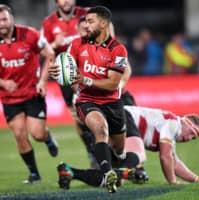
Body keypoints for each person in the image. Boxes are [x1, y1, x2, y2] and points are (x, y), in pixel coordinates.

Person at [49, 6, 128, 193]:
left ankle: (118, 164)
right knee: (100, 129)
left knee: (119, 149)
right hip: (86, 100)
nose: (86, 25)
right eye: (85, 21)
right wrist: (58, 73)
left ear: (103, 24)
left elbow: (112, 84)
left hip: (112, 103)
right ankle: (107, 173)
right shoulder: (77, 44)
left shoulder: (118, 49)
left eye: (90, 21)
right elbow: (66, 69)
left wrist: (85, 79)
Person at [0, 4, 58, 184]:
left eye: (4, 19)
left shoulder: (30, 34)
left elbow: (49, 53)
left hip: (33, 93)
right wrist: (2, 83)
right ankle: (34, 174)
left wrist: (43, 81)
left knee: (37, 134)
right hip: (9, 97)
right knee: (19, 134)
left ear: (12, 19)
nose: (1, 23)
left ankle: (48, 139)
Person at [41, 0, 98, 168]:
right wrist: (54, 44)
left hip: (90, 69)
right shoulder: (48, 22)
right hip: (66, 76)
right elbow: (44, 51)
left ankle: (116, 153)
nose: (66, 2)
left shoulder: (88, 13)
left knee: (100, 112)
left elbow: (107, 35)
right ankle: (92, 152)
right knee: (80, 119)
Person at [123, 105, 199, 184]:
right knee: (140, 156)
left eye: (193, 138)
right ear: (186, 123)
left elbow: (174, 164)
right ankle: (119, 170)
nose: (189, 138)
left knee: (119, 180)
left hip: (121, 115)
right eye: (191, 133)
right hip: (125, 116)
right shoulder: (174, 124)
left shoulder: (172, 130)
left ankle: (116, 170)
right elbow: (165, 157)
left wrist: (196, 179)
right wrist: (172, 181)